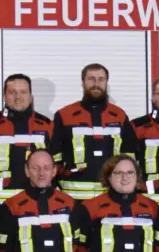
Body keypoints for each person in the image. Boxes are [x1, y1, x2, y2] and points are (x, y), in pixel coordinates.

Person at [0, 73, 56, 201]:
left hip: (37, 199)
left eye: (23, 92)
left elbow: (57, 164)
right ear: (4, 96)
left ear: (31, 96)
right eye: (12, 92)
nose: (18, 97)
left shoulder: (47, 126)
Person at [53, 63, 129, 200]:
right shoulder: (64, 115)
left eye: (101, 79)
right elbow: (54, 157)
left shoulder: (120, 115)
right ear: (82, 82)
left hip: (111, 196)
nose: (96, 83)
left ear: (106, 82)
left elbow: (129, 156)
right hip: (72, 197)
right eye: (91, 79)